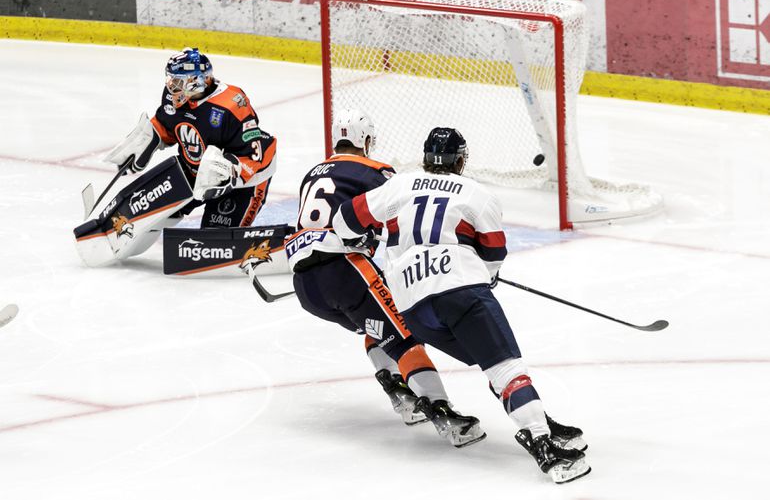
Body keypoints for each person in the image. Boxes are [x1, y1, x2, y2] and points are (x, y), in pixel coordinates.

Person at [332, 127, 591, 483]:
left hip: (411, 304)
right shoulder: (477, 194)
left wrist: (364, 240)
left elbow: (343, 219)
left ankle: (538, 418)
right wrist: (482, 277)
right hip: (461, 290)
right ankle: (542, 444)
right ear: (461, 159)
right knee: (504, 367)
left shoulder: (398, 184)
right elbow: (494, 253)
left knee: (493, 364)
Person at [283, 110, 485, 448]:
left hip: (305, 283)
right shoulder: (374, 171)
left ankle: (400, 393)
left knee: (373, 326)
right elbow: (406, 213)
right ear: (365, 140)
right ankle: (443, 413)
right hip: (345, 271)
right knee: (405, 333)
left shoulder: (311, 173)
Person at [106, 47, 277, 229]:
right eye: (170, 79)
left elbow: (254, 155)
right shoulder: (174, 97)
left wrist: (230, 172)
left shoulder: (231, 105)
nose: (171, 85)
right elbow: (168, 124)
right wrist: (152, 135)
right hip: (192, 172)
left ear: (196, 81)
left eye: (177, 81)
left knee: (212, 245)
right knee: (141, 209)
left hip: (242, 185)